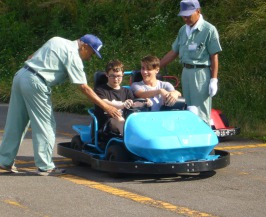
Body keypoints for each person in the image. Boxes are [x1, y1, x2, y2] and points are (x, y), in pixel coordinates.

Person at [0, 34, 121, 176]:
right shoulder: (73, 55)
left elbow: (30, 57)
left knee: (16, 122)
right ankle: (45, 167)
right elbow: (83, 87)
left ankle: (4, 160)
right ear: (84, 46)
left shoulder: (57, 40)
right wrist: (106, 106)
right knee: (46, 125)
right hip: (36, 83)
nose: (90, 57)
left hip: (21, 75)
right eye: (92, 53)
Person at [159, 0, 222, 125]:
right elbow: (174, 52)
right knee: (189, 109)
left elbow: (214, 56)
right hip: (186, 72)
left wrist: (214, 80)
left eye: (188, 15)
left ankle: (204, 139)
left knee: (201, 111)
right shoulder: (183, 30)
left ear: (198, 11)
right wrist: (156, 67)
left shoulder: (208, 29)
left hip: (200, 72)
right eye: (183, 15)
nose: (185, 18)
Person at [94, 60, 152, 136]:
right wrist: (122, 105)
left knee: (141, 119)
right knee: (119, 120)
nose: (115, 79)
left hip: (125, 120)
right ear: (107, 75)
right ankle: (129, 143)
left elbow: (134, 104)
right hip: (107, 123)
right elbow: (104, 102)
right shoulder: (100, 90)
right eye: (112, 76)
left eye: (118, 76)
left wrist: (145, 103)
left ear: (122, 75)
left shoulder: (127, 91)